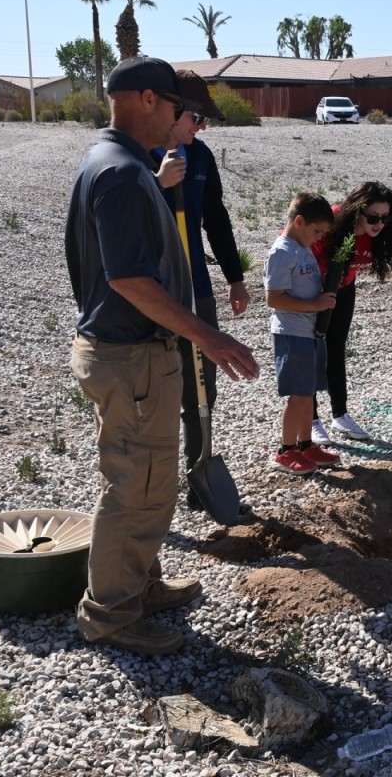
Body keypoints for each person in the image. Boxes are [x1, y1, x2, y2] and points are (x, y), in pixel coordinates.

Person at [66, 56, 259, 656]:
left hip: (140, 355)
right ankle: (112, 614)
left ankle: (140, 584)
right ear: (147, 99)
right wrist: (209, 335)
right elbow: (129, 279)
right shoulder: (122, 173)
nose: (183, 119)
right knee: (132, 487)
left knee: (152, 483)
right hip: (131, 356)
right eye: (178, 108)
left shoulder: (121, 164)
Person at [152, 70, 250, 512]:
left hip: (198, 288)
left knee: (200, 391)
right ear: (171, 110)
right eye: (197, 116)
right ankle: (150, 494)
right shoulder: (136, 156)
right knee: (154, 396)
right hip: (152, 296)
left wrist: (233, 277)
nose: (202, 126)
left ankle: (198, 477)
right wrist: (158, 185)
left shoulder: (203, 158)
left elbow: (217, 219)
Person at [308, 182, 392, 445]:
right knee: (312, 350)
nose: (379, 224)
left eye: (385, 218)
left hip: (344, 288)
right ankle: (311, 418)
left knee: (336, 348)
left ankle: (340, 414)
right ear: (356, 211)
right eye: (373, 217)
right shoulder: (333, 220)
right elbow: (296, 242)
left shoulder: (381, 236)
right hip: (313, 291)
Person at [264, 193, 342, 476]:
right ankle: (286, 451)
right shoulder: (283, 251)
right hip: (293, 333)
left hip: (310, 332)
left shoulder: (302, 246)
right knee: (297, 395)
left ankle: (306, 444)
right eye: (317, 231)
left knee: (308, 391)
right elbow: (274, 297)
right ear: (299, 222)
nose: (319, 237)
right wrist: (314, 305)